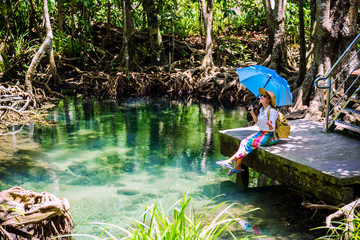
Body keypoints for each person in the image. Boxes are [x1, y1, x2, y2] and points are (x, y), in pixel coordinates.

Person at [216, 87, 279, 176]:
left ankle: (229, 161)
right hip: (261, 133)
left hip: (270, 136)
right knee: (244, 142)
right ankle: (237, 166)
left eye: (264, 96)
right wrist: (252, 112)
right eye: (261, 95)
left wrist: (270, 124)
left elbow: (272, 126)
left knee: (249, 143)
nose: (261, 97)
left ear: (269, 100)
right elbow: (257, 123)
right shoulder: (261, 110)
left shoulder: (272, 111)